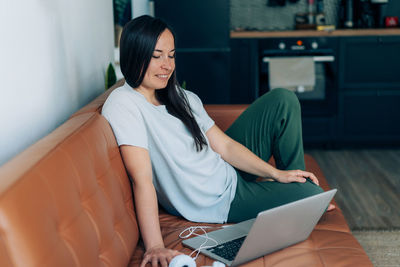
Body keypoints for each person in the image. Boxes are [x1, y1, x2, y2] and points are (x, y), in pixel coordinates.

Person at [102, 15, 334, 267]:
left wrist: (277, 174)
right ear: (135, 54)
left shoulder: (177, 95)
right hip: (219, 199)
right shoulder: (124, 103)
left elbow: (224, 146)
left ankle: (294, 183)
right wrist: (156, 245)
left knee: (282, 100)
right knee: (312, 195)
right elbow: (142, 179)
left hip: (226, 172)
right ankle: (302, 198)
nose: (166, 65)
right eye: (157, 56)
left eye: (171, 55)